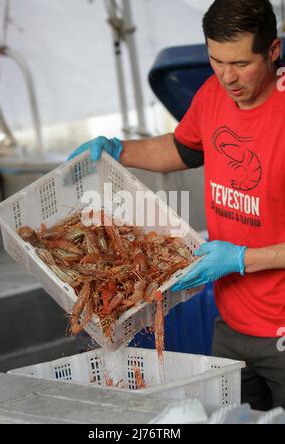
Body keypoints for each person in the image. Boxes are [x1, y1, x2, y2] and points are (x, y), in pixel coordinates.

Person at [68, 0, 285, 411]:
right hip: (231, 324)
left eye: (240, 63)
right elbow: (182, 148)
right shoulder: (212, 94)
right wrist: (118, 149)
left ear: (273, 52)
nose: (227, 76)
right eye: (216, 60)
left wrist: (241, 258)